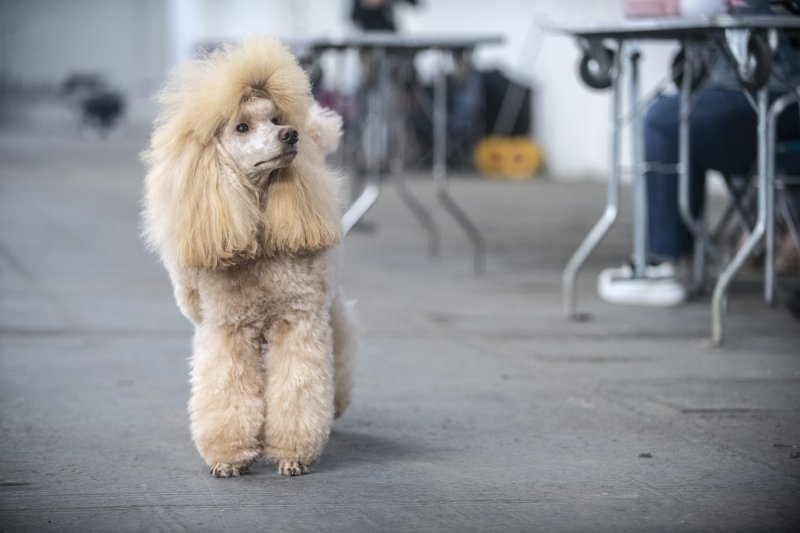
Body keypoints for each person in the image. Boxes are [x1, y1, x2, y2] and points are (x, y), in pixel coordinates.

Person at [598, 0, 800, 306]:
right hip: (750, 89)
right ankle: (672, 257)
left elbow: (697, 6)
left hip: (778, 92)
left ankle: (662, 258)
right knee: (675, 116)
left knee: (666, 120)